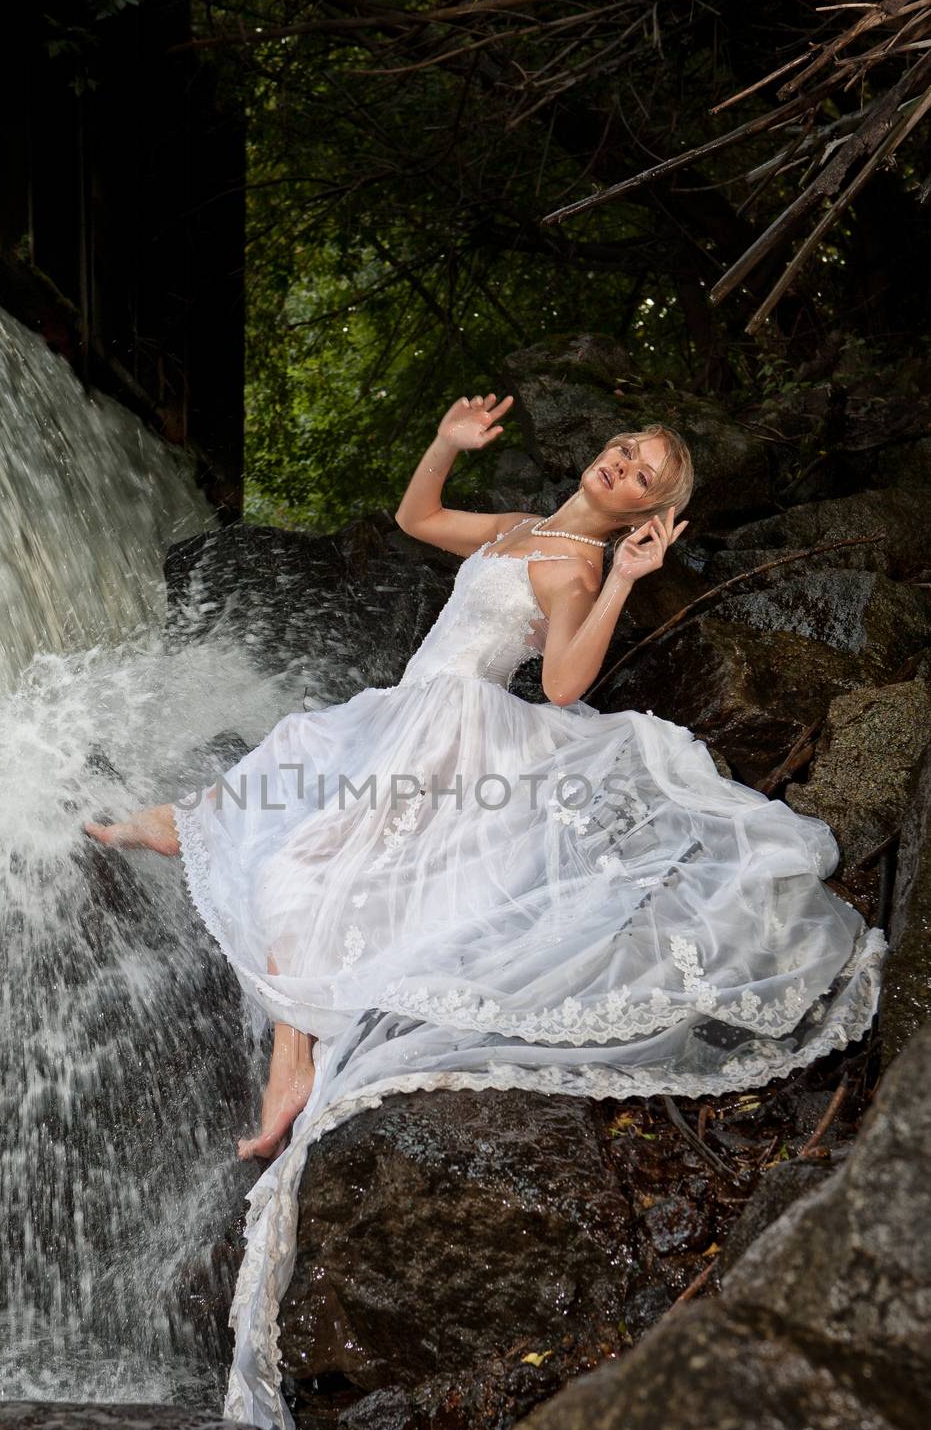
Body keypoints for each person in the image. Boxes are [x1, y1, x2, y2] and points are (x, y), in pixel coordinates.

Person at [84, 391, 886, 1176]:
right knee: (301, 775)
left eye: (643, 476)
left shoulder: (574, 566)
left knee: (304, 874)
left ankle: (286, 1053)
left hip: (454, 733)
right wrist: (445, 442)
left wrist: (621, 581)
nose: (621, 466)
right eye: (625, 449)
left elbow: (566, 685)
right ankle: (199, 857)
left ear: (644, 512)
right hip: (409, 710)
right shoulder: (518, 530)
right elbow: (416, 521)